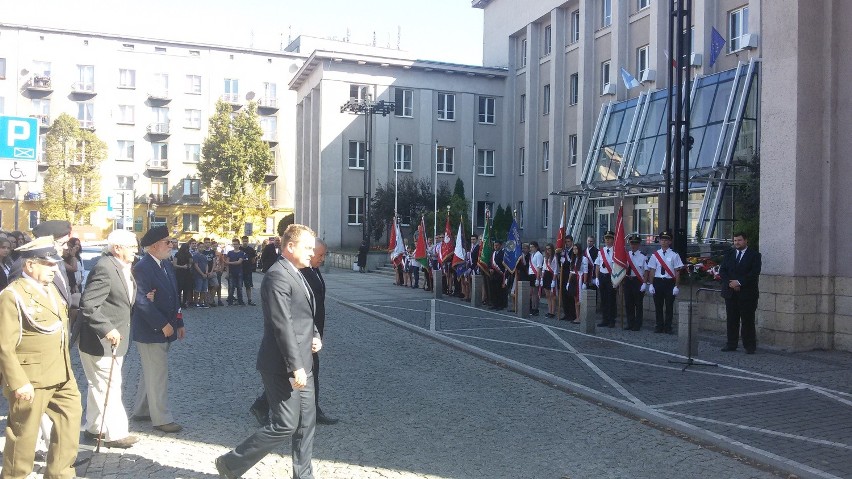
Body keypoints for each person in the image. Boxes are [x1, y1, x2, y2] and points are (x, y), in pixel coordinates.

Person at [216, 224, 322, 479]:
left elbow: (303, 315)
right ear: (290, 247)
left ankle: (303, 475)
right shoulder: (277, 275)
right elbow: (281, 324)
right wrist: (295, 366)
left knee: (307, 423)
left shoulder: (297, 271)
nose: (313, 252)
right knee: (285, 424)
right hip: (282, 365)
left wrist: (315, 336)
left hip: (303, 360)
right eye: (308, 247)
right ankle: (231, 463)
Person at [0, 236, 82, 478]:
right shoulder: (13, 295)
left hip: (61, 373)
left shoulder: (51, 290)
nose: (55, 268)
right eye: (48, 264)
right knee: (24, 436)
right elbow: (4, 345)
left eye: (55, 263)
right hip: (31, 377)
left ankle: (61, 473)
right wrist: (18, 382)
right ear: (30, 265)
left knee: (70, 421)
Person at [79, 229, 140, 448]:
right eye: (131, 246)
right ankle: (115, 433)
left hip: (114, 338)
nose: (136, 250)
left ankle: (94, 427)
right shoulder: (105, 268)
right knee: (110, 385)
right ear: (117, 248)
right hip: (101, 340)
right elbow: (88, 305)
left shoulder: (121, 267)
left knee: (100, 384)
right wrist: (107, 329)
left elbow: (120, 299)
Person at [132, 225, 186, 433]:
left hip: (166, 327)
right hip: (151, 331)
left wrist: (178, 322)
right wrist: (162, 324)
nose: (171, 245)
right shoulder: (143, 267)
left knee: (150, 374)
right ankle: (161, 418)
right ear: (154, 246)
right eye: (167, 242)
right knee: (157, 375)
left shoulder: (165, 264)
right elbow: (142, 301)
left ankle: (142, 409)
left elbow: (174, 296)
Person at [719, 232, 762, 353]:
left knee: (747, 320)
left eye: (739, 240)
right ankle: (731, 344)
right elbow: (723, 271)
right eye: (735, 241)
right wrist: (731, 283)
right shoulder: (729, 254)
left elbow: (754, 273)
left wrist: (739, 282)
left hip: (747, 294)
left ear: (746, 241)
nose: (737, 243)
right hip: (730, 293)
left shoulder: (754, 255)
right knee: (732, 320)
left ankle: (749, 346)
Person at [644, 230, 684, 334]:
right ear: (659, 241)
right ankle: (659, 325)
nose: (664, 242)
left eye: (666, 240)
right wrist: (651, 284)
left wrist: (676, 286)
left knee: (669, 306)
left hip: (669, 282)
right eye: (662, 240)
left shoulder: (675, 255)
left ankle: (668, 326)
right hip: (658, 281)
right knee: (658, 305)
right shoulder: (655, 255)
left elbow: (677, 271)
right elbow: (652, 270)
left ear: (670, 242)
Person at [594, 230, 618, 328]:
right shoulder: (601, 251)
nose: (607, 240)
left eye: (609, 238)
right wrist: (596, 277)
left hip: (611, 277)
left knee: (611, 300)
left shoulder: (616, 251)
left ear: (613, 239)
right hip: (602, 276)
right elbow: (598, 265)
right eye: (606, 238)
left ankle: (612, 320)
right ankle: (605, 319)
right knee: (603, 299)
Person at [623, 235, 647, 331]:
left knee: (638, 304)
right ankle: (630, 323)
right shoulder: (625, 255)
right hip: (628, 280)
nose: (633, 245)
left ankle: (637, 324)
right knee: (629, 303)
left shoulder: (643, 256)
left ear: (639, 245)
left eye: (635, 243)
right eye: (632, 243)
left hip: (638, 281)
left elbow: (646, 271)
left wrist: (645, 283)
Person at [564, 244, 588, 324]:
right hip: (574, 279)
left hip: (580, 279)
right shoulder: (573, 259)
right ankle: (577, 317)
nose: (574, 251)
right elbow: (571, 271)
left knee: (579, 299)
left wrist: (584, 282)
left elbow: (585, 271)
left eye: (576, 249)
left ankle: (581, 317)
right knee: (575, 299)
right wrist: (568, 282)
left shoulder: (584, 259)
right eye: (573, 249)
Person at [558, 234, 576, 321]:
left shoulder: (574, 250)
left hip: (571, 275)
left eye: (568, 242)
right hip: (564, 274)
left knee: (570, 295)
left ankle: (572, 314)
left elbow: (573, 263)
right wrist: (560, 258)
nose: (567, 243)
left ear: (572, 242)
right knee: (564, 295)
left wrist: (566, 262)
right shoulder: (563, 251)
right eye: (566, 242)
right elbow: (560, 263)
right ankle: (566, 313)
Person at [173, 242, 194, 308]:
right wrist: (185, 266)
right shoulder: (187, 254)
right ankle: (184, 302)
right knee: (184, 289)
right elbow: (191, 262)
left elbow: (174, 264)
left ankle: (180, 303)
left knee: (181, 289)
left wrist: (185, 266)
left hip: (181, 273)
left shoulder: (178, 254)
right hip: (184, 273)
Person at [226, 238, 247, 305]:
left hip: (239, 272)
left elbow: (239, 262)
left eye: (236, 244)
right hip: (231, 272)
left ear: (239, 245)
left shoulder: (241, 253)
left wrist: (229, 263)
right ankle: (230, 301)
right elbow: (227, 263)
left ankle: (240, 301)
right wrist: (227, 272)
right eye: (234, 244)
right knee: (231, 287)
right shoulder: (230, 253)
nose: (235, 245)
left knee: (240, 287)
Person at [191, 239, 210, 309]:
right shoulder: (196, 255)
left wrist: (207, 272)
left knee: (204, 289)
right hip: (198, 275)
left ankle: (201, 302)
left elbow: (207, 265)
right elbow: (196, 265)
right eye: (200, 247)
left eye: (202, 247)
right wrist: (202, 274)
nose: (201, 248)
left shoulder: (204, 256)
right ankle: (196, 303)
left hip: (205, 275)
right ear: (197, 247)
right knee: (197, 289)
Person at [488, 239, 507, 310]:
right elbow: (490, 262)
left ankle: (500, 305)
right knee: (493, 290)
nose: (495, 246)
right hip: (493, 274)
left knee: (500, 290)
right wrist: (490, 268)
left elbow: (504, 264)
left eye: (497, 245)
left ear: (500, 246)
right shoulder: (493, 253)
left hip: (500, 274)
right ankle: (494, 303)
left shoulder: (503, 253)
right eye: (494, 245)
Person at [241, 236, 258, 305]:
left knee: (248, 286)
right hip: (240, 270)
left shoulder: (251, 249)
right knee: (239, 286)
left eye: (246, 241)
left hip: (248, 270)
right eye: (244, 241)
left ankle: (249, 299)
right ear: (242, 241)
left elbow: (253, 260)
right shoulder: (239, 249)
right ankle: (240, 299)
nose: (245, 242)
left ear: (248, 241)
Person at [542, 244, 558, 318]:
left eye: (549, 249)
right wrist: (542, 279)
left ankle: (553, 312)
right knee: (547, 295)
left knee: (552, 296)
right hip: (546, 275)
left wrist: (554, 281)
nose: (548, 251)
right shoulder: (545, 258)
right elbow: (543, 269)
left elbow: (555, 270)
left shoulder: (555, 258)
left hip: (551, 276)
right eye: (547, 249)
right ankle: (549, 311)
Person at [528, 241, 543, 316]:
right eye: (530, 247)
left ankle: (535, 308)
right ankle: (532, 307)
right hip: (530, 274)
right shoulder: (532, 255)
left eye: (532, 247)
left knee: (535, 293)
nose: (531, 248)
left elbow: (539, 267)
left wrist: (537, 279)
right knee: (531, 293)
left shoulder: (538, 255)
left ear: (536, 247)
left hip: (535, 274)